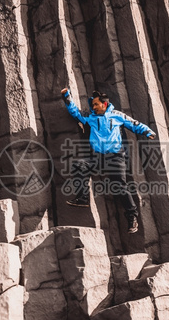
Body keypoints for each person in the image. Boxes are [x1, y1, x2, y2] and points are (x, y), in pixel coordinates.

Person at [61, 88, 156, 233]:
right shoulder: (90, 117)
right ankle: (82, 198)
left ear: (104, 104)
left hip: (115, 157)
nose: (93, 107)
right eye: (92, 105)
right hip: (98, 158)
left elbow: (134, 124)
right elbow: (75, 112)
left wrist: (147, 131)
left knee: (119, 186)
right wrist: (66, 96)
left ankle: (132, 217)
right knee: (79, 166)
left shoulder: (117, 116)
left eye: (96, 104)